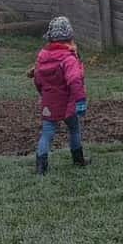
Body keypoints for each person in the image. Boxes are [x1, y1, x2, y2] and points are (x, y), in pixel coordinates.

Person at [27, 16, 88, 174]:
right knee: (74, 129)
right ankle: (78, 160)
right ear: (69, 38)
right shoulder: (69, 59)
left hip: (49, 102)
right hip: (68, 102)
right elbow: (75, 80)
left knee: (47, 133)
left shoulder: (42, 56)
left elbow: (38, 79)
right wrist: (80, 100)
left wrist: (43, 93)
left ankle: (41, 167)